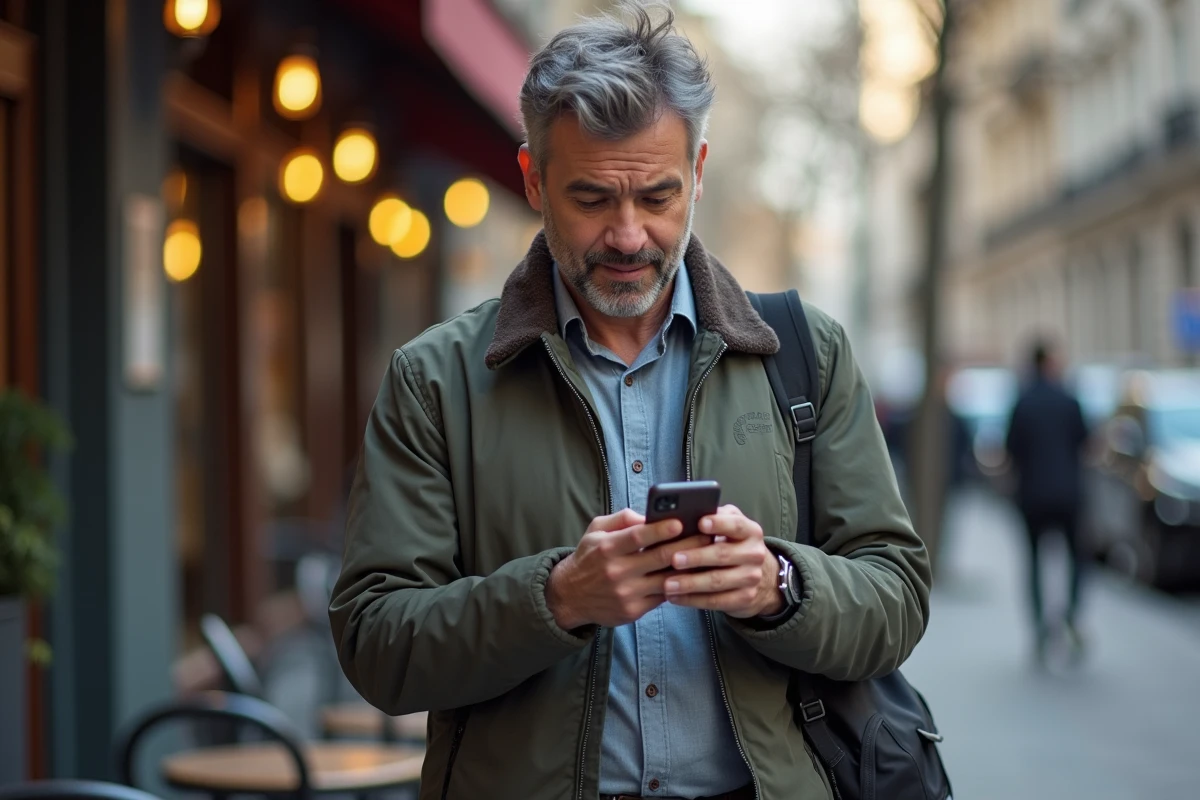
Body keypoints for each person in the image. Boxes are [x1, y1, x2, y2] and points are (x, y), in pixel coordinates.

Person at [329, 5, 931, 799]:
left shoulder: (806, 353)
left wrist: (779, 585)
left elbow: (898, 594)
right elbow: (377, 645)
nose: (627, 235)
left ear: (700, 171)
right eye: (591, 199)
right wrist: (554, 598)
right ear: (533, 180)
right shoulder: (434, 379)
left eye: (657, 196)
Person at [1005, 339, 1090, 664]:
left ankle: (1040, 626)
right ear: (1050, 362)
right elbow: (1085, 443)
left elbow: (1010, 449)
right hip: (1069, 494)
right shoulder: (1069, 399)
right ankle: (1070, 613)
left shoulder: (1022, 401)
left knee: (1034, 561)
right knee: (1077, 559)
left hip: (1032, 495)